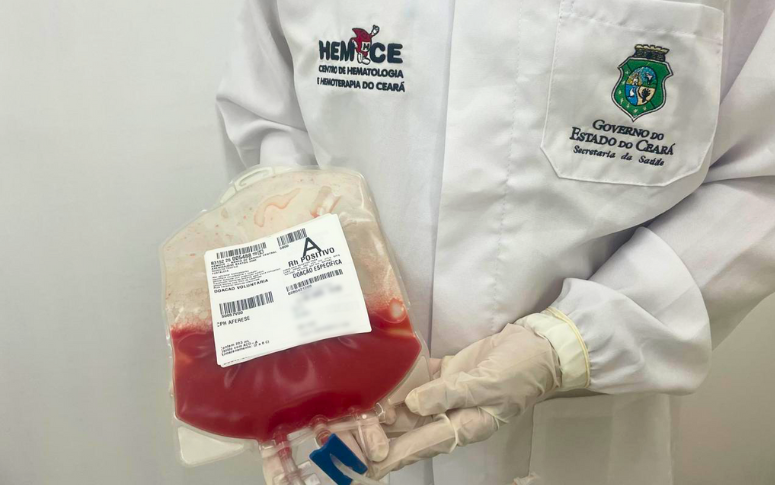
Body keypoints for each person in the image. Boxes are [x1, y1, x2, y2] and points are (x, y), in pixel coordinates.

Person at [216, 1, 775, 483]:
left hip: (581, 439)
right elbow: (272, 126)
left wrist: (568, 343)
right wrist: (297, 328)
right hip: (340, 417)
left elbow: (759, 179)